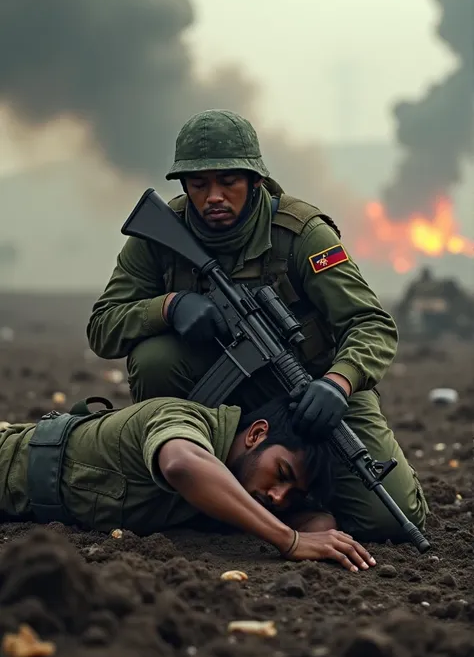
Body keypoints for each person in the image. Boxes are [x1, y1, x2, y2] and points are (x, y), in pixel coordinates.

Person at [87, 109, 428, 541]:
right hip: (219, 390)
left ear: (255, 180)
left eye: (228, 181)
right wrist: (169, 307)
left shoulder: (301, 234)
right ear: (184, 186)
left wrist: (339, 383)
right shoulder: (159, 234)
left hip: (311, 387)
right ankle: (192, 488)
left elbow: (371, 324)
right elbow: (103, 326)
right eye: (198, 184)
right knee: (155, 358)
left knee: (389, 518)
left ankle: (281, 504)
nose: (213, 196)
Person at [0, 395, 376, 573]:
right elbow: (181, 464)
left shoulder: (244, 494)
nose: (278, 497)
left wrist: (311, 528)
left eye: (291, 495)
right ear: (256, 434)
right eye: (281, 474)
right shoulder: (183, 418)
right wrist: (289, 540)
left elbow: (318, 525)